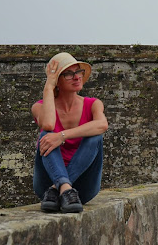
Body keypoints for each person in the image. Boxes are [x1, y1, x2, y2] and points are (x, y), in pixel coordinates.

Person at [32, 52, 108, 213]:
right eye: (68, 74)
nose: (77, 77)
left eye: (78, 72)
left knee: (95, 136)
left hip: (81, 189)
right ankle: (63, 187)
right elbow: (48, 124)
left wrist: (62, 136)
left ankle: (60, 187)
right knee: (46, 135)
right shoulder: (39, 107)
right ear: (57, 81)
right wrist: (48, 87)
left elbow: (102, 125)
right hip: (46, 183)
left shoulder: (93, 104)